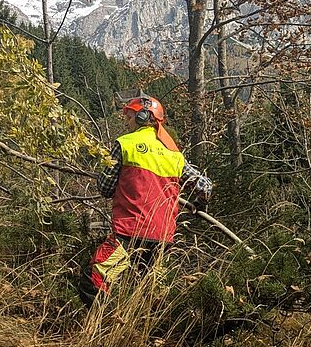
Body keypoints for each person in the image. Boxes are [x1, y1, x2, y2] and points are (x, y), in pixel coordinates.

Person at [77, 94, 213, 306]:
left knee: (95, 279)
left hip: (128, 235)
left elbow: (105, 188)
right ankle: (145, 332)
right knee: (148, 293)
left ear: (142, 116)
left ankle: (105, 326)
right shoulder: (174, 154)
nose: (128, 122)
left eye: (130, 117)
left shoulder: (125, 144)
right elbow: (205, 185)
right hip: (163, 238)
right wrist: (199, 204)